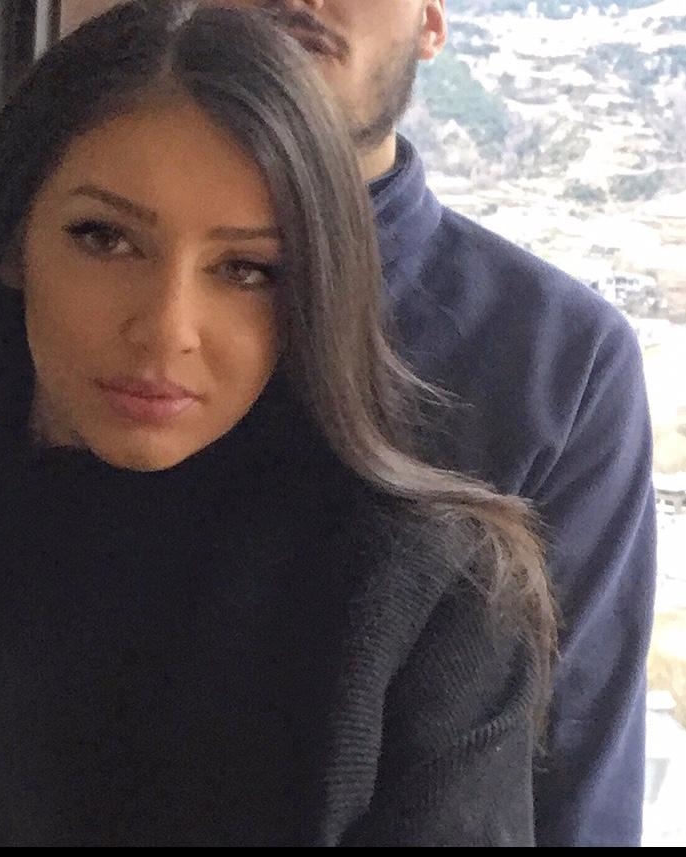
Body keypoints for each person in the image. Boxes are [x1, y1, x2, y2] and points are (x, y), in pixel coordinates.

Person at [0, 1, 554, 847]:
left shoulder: (430, 604)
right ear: (12, 242)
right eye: (105, 238)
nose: (166, 328)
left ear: (313, 291)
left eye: (245, 269)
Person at [174, 0, 653, 848]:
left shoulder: (554, 358)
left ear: (431, 23)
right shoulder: (53, 291)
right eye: (106, 237)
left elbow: (571, 771)